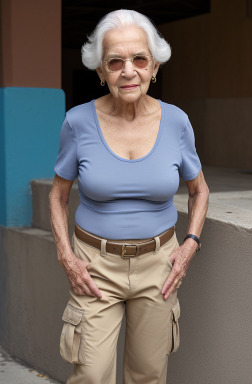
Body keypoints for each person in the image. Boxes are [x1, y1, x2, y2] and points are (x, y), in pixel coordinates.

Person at [49, 9, 209, 384]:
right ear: (101, 73)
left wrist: (189, 247)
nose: (128, 70)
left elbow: (199, 190)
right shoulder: (77, 122)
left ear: (154, 66)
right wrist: (66, 256)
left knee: (148, 376)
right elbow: (58, 197)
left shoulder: (176, 122)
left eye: (139, 59)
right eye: (115, 62)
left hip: (159, 266)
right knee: (90, 374)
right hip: (94, 267)